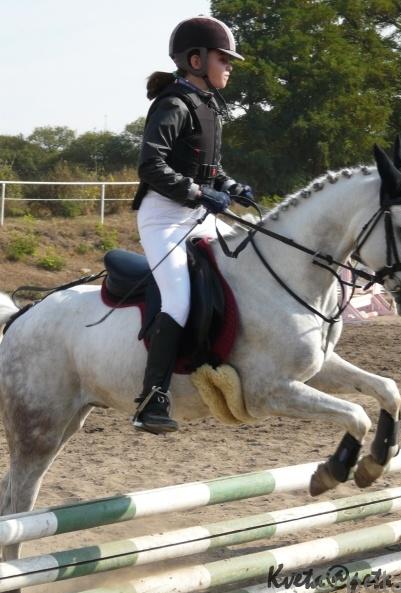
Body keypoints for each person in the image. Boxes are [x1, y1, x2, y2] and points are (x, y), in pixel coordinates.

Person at [131, 15, 254, 435]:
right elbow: (151, 166)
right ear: (196, 60)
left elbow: (209, 170)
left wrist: (231, 186)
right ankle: (152, 398)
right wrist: (200, 193)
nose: (229, 66)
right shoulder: (173, 104)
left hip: (196, 215)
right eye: (224, 59)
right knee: (178, 300)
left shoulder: (209, 106)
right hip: (164, 218)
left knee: (245, 264)